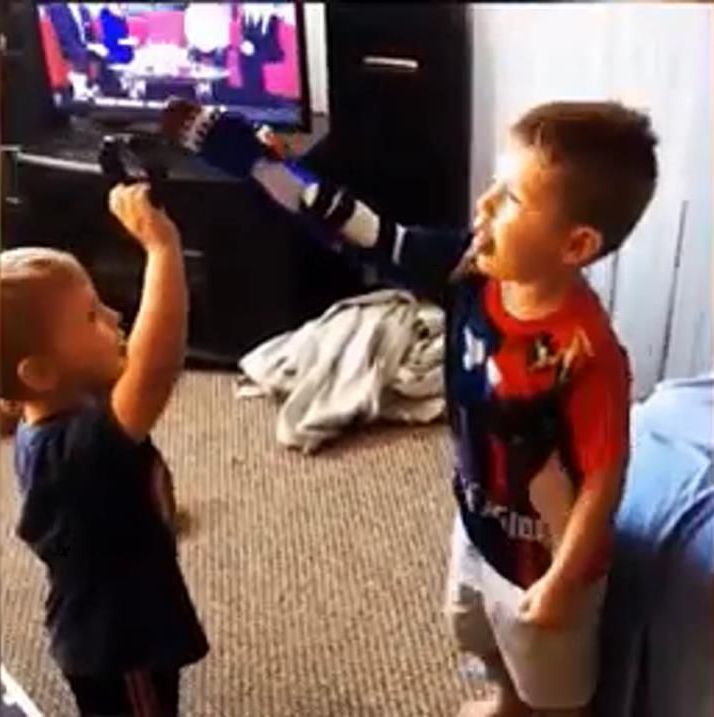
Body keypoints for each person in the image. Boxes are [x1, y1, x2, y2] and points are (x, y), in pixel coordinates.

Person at [164, 98, 658, 716]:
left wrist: (564, 580)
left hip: (547, 559)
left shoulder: (585, 354)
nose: (483, 206)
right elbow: (366, 233)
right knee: (481, 631)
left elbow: (604, 479)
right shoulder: (469, 272)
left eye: (510, 199)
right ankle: (506, 702)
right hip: (477, 518)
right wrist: (264, 167)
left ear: (576, 243)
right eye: (493, 185)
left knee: (552, 684)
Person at [0, 184, 209, 716]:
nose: (115, 317)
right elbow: (154, 368)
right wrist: (162, 249)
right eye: (91, 315)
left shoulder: (60, 406)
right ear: (39, 373)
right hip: (120, 642)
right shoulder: (73, 451)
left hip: (104, 613)